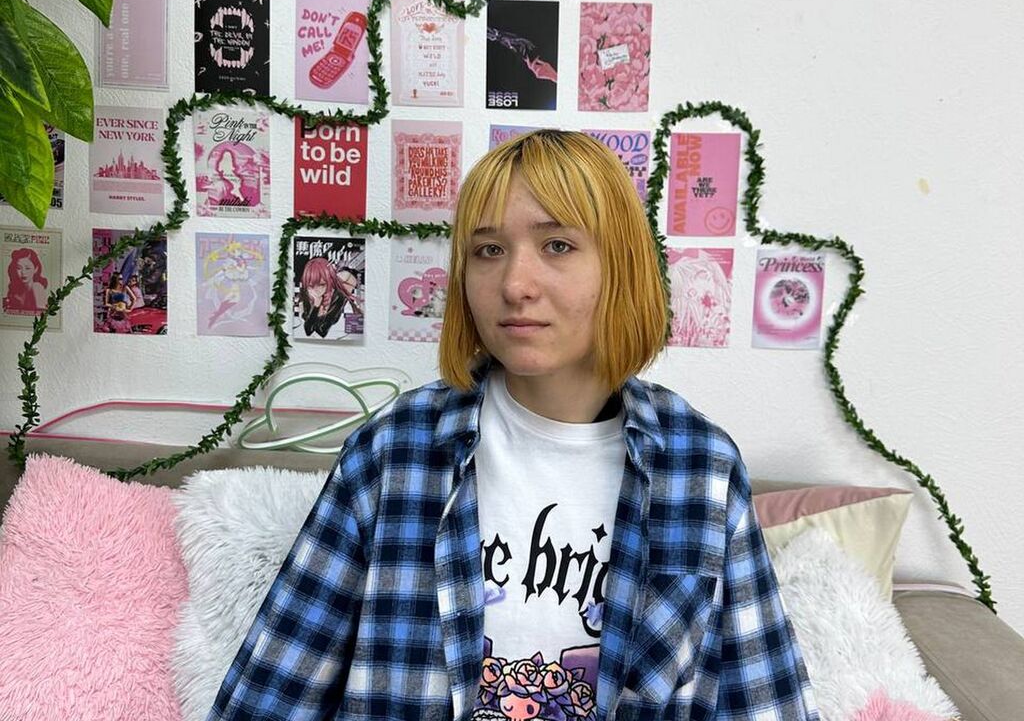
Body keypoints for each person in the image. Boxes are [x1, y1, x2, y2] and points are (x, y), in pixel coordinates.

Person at [209, 130, 819, 720]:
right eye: (488, 250)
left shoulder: (700, 469)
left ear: (622, 267)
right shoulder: (395, 451)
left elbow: (762, 698)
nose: (515, 285)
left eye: (557, 245)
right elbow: (274, 688)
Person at [3, 247, 48, 315]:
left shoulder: (37, 287)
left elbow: (41, 316)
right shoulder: (15, 289)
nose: (23, 272)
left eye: (27, 268)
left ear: (36, 269)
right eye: (19, 268)